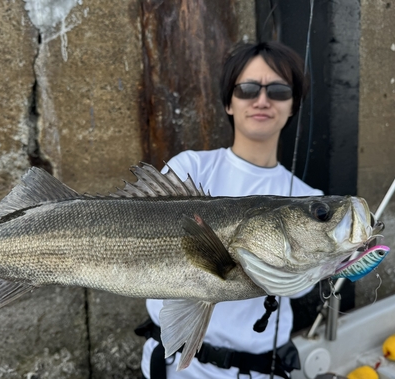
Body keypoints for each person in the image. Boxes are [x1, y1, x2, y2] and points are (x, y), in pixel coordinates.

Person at [138, 41, 323, 379]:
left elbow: (299, 285)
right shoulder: (190, 168)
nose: (262, 100)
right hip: (170, 367)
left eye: (279, 90)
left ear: (293, 104)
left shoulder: (310, 200)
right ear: (228, 102)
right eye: (248, 88)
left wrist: (338, 260)